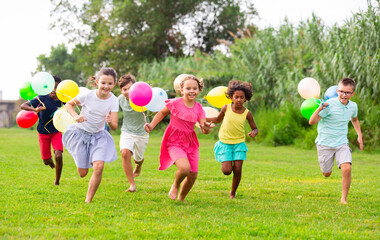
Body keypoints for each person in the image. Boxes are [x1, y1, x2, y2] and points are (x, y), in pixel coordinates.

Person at [144, 74, 213, 202]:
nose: (191, 91)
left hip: (190, 143)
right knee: (185, 168)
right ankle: (175, 185)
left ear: (199, 90)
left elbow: (204, 129)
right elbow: (162, 113)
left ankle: (181, 198)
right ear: (181, 90)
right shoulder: (175, 102)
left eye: (195, 88)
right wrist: (152, 125)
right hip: (174, 141)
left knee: (192, 175)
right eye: (188, 88)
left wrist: (207, 128)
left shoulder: (199, 108)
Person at [63, 67, 119, 203]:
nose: (106, 86)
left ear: (114, 84)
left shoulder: (114, 100)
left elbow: (115, 126)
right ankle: (80, 157)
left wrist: (110, 122)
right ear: (97, 82)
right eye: (103, 83)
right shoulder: (87, 95)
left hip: (98, 136)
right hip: (80, 134)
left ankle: (88, 200)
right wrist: (76, 116)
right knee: (83, 173)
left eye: (110, 83)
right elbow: (68, 105)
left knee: (99, 166)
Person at [309, 77, 363, 204]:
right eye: (341, 91)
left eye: (348, 92)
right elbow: (311, 122)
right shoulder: (329, 105)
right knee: (326, 174)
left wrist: (359, 135)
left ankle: (343, 199)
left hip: (341, 143)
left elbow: (354, 119)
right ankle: (328, 168)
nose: (344, 94)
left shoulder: (353, 106)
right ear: (337, 90)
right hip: (324, 144)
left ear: (353, 94)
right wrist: (319, 109)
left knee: (347, 168)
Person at [206, 80, 258, 199]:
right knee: (227, 171)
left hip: (239, 143)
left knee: (238, 169)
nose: (239, 99)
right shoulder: (226, 108)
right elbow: (218, 119)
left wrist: (254, 133)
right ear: (231, 97)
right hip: (225, 143)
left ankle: (232, 193)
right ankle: (225, 162)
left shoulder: (247, 113)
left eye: (241, 97)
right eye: (236, 97)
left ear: (246, 99)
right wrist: (204, 118)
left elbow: (255, 128)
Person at [21, 75, 64, 186]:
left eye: (57, 87)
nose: (54, 90)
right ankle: (51, 163)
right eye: (52, 87)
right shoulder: (41, 98)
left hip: (56, 131)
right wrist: (35, 109)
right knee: (46, 161)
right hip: (43, 133)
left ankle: (57, 181)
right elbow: (23, 105)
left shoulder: (63, 100)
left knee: (59, 155)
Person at [118, 74, 149, 192]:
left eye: (130, 88)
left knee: (138, 159)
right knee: (125, 153)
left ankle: (139, 165)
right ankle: (132, 185)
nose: (127, 92)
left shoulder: (143, 97)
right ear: (121, 90)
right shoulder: (120, 99)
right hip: (127, 131)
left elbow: (156, 107)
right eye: (124, 89)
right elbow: (111, 108)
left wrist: (150, 94)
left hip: (142, 133)